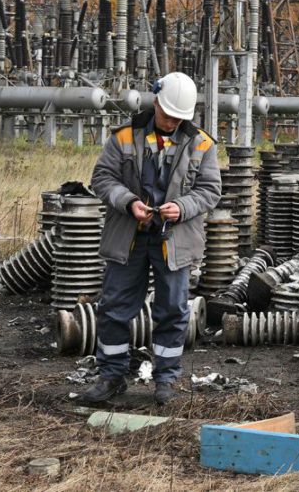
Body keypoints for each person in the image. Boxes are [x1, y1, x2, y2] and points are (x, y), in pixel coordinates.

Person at [80, 72, 222, 406]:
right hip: (129, 238)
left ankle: (166, 382)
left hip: (174, 241)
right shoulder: (124, 137)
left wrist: (182, 207)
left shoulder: (202, 144)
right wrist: (128, 203)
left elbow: (210, 190)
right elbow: (102, 178)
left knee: (172, 310)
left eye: (179, 117)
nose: (172, 121)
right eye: (168, 114)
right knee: (114, 309)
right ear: (155, 101)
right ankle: (112, 377)